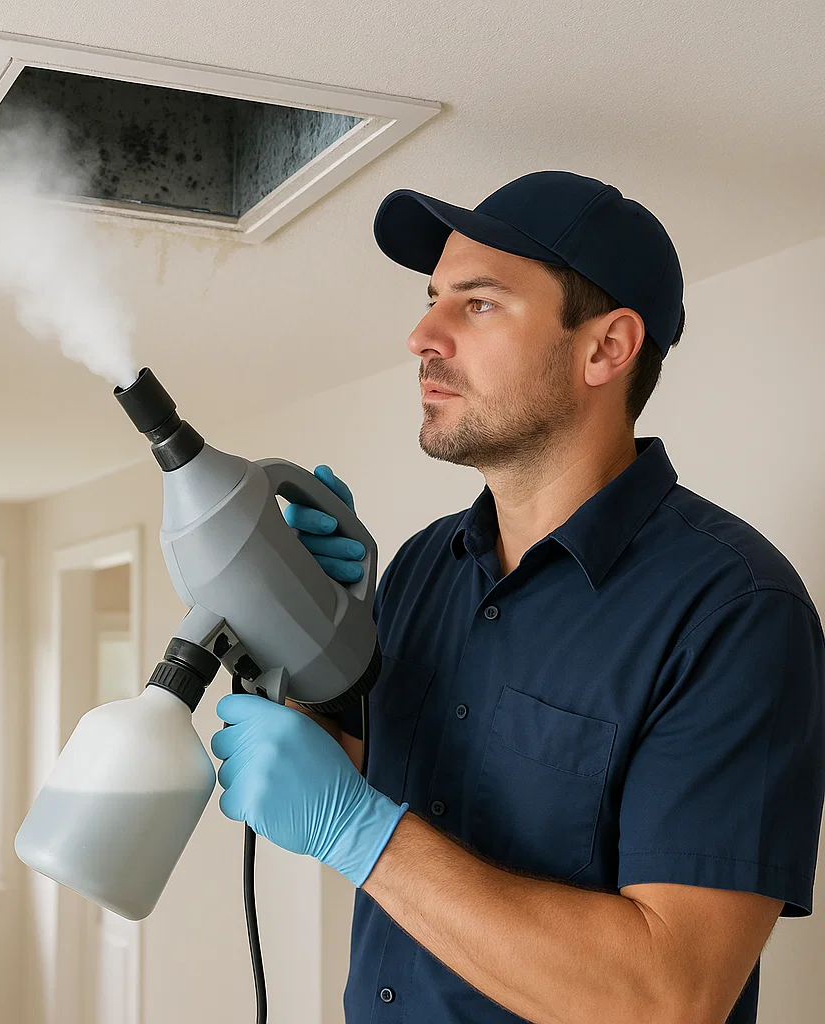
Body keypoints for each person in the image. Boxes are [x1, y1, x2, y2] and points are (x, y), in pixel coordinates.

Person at [209, 170, 825, 1023]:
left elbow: (670, 997)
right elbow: (332, 769)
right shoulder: (425, 565)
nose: (422, 334)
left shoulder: (734, 611)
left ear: (606, 348)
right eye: (432, 300)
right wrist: (297, 620)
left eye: (479, 303)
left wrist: (362, 835)